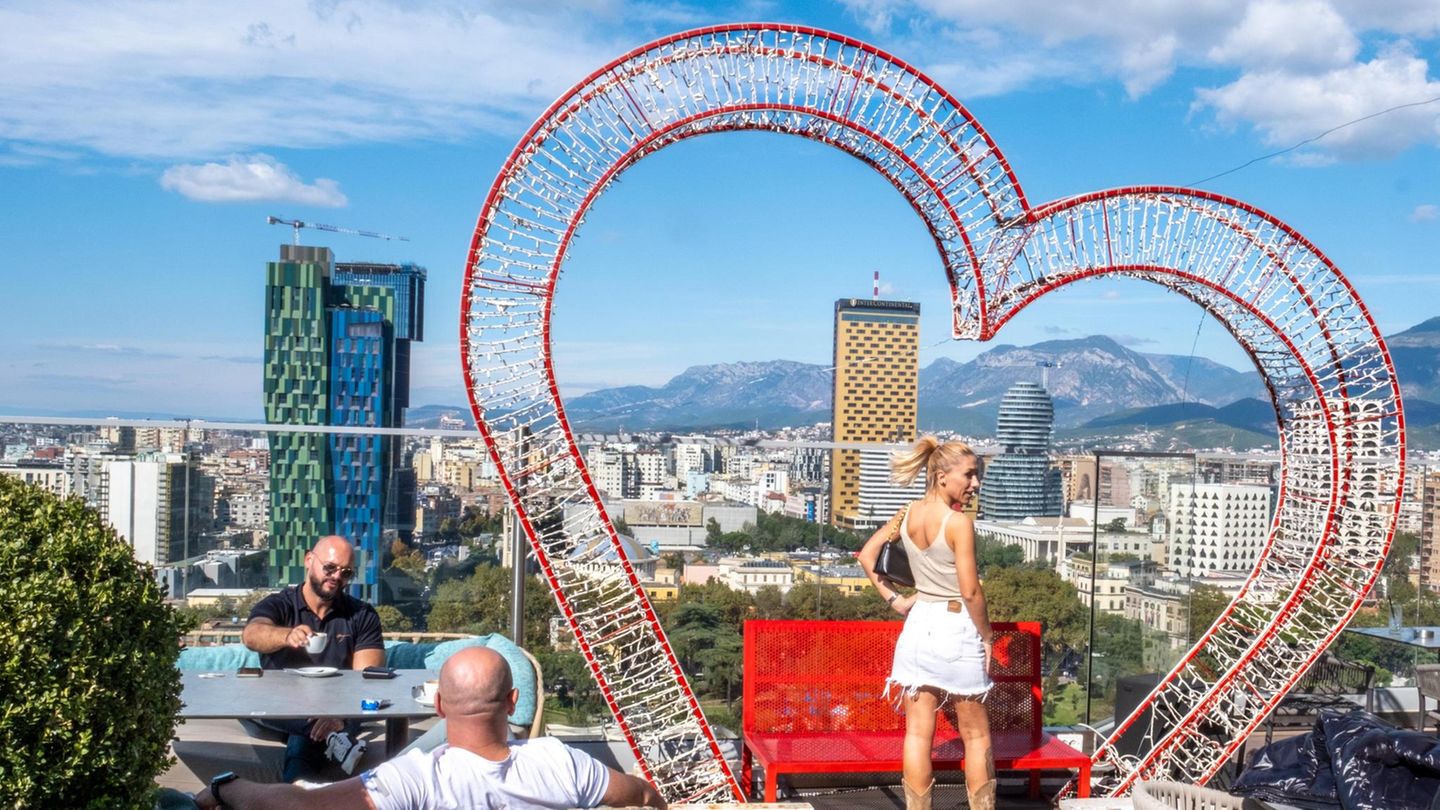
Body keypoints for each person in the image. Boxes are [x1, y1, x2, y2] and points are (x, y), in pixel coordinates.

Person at [194, 647, 668, 810]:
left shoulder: (416, 779)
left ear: (438, 705)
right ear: (513, 702)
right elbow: (644, 797)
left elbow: (297, 805)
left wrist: (226, 787)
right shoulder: (561, 762)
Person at [858, 437, 995, 810]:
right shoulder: (958, 523)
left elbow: (866, 555)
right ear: (941, 475)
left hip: (918, 626)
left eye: (976, 475)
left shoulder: (908, 514)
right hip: (955, 628)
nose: (975, 484)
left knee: (918, 734)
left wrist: (896, 601)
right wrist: (987, 637)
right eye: (969, 475)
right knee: (977, 735)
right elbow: (971, 592)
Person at [242, 535, 386, 781]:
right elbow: (252, 635)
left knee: (307, 736)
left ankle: (294, 796)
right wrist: (287, 636)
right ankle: (333, 740)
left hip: (337, 708)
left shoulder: (361, 615)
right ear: (309, 560)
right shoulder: (279, 605)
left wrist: (337, 715)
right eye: (330, 568)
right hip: (281, 706)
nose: (337, 577)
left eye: (346, 572)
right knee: (304, 723)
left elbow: (367, 676)